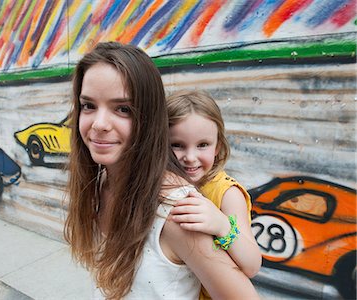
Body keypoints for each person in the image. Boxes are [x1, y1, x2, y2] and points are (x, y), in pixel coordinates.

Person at [64, 42, 259, 299]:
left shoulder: (177, 211)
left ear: (149, 118)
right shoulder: (102, 181)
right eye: (88, 105)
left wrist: (224, 227)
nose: (99, 124)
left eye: (123, 108)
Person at [167, 90, 262, 299]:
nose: (190, 157)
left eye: (203, 145)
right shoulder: (163, 186)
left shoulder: (227, 194)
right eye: (177, 145)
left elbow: (252, 265)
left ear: (217, 146)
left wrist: (221, 225)